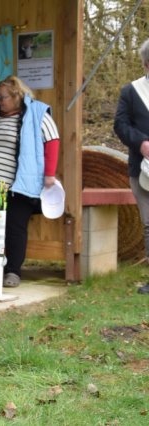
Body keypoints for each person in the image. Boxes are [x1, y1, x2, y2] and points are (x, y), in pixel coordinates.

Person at [0, 75, 60, 288]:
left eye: (3, 97)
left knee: (14, 228)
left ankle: (13, 271)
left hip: (16, 185)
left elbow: (52, 140)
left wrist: (49, 174)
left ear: (17, 96)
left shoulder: (36, 113)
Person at [113, 38, 149, 295]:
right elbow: (120, 125)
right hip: (143, 168)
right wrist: (142, 143)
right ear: (146, 65)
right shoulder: (131, 91)